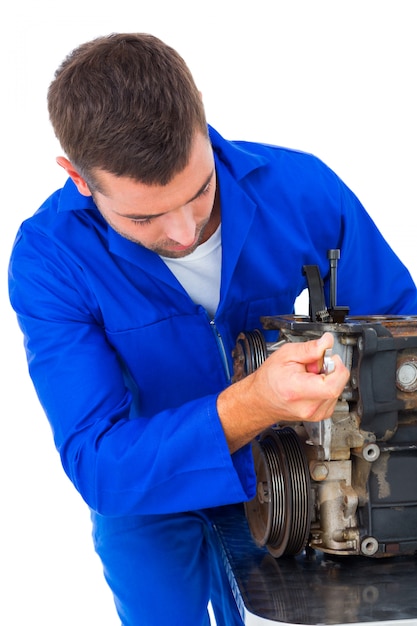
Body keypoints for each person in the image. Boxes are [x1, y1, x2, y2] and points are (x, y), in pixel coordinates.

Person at [8, 32, 417, 626]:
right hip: (144, 494)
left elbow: (403, 341)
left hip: (298, 476)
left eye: (200, 192)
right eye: (144, 216)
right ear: (77, 176)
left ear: (202, 120)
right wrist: (253, 401)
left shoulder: (302, 190)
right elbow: (100, 463)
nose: (182, 232)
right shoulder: (49, 258)